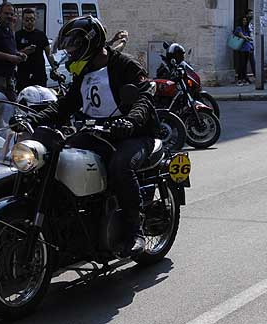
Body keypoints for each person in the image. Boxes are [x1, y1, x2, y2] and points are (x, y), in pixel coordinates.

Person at [10, 16, 157, 256]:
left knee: (120, 166)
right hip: (96, 132)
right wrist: (31, 119)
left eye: (73, 44)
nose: (69, 50)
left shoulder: (124, 65)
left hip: (133, 134)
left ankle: (134, 230)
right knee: (58, 156)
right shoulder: (85, 71)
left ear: (88, 42)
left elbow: (143, 98)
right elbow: (64, 106)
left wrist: (130, 121)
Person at [0, 2, 26, 100]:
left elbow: (10, 48)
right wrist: (10, 57)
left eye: (11, 14)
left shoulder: (8, 29)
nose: (9, 16)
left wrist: (19, 54)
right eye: (6, 13)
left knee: (13, 104)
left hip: (8, 76)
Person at [15, 8, 56, 92]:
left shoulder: (41, 35)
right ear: (22, 20)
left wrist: (54, 68)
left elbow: (49, 54)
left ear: (35, 20)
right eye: (27, 20)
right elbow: (13, 54)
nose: (29, 22)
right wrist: (24, 51)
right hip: (23, 75)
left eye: (31, 19)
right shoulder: (17, 35)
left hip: (39, 75)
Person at [234, 16, 254, 86]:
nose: (245, 21)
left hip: (247, 48)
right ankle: (239, 79)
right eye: (243, 20)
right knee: (241, 64)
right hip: (241, 49)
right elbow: (241, 35)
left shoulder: (247, 29)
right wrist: (247, 37)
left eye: (245, 20)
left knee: (245, 65)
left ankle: (244, 78)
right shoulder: (239, 28)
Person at [245, 9, 256, 77]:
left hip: (251, 43)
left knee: (252, 60)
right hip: (246, 44)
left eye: (252, 14)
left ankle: (256, 74)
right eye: (250, 14)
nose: (251, 15)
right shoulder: (245, 24)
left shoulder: (251, 24)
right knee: (245, 61)